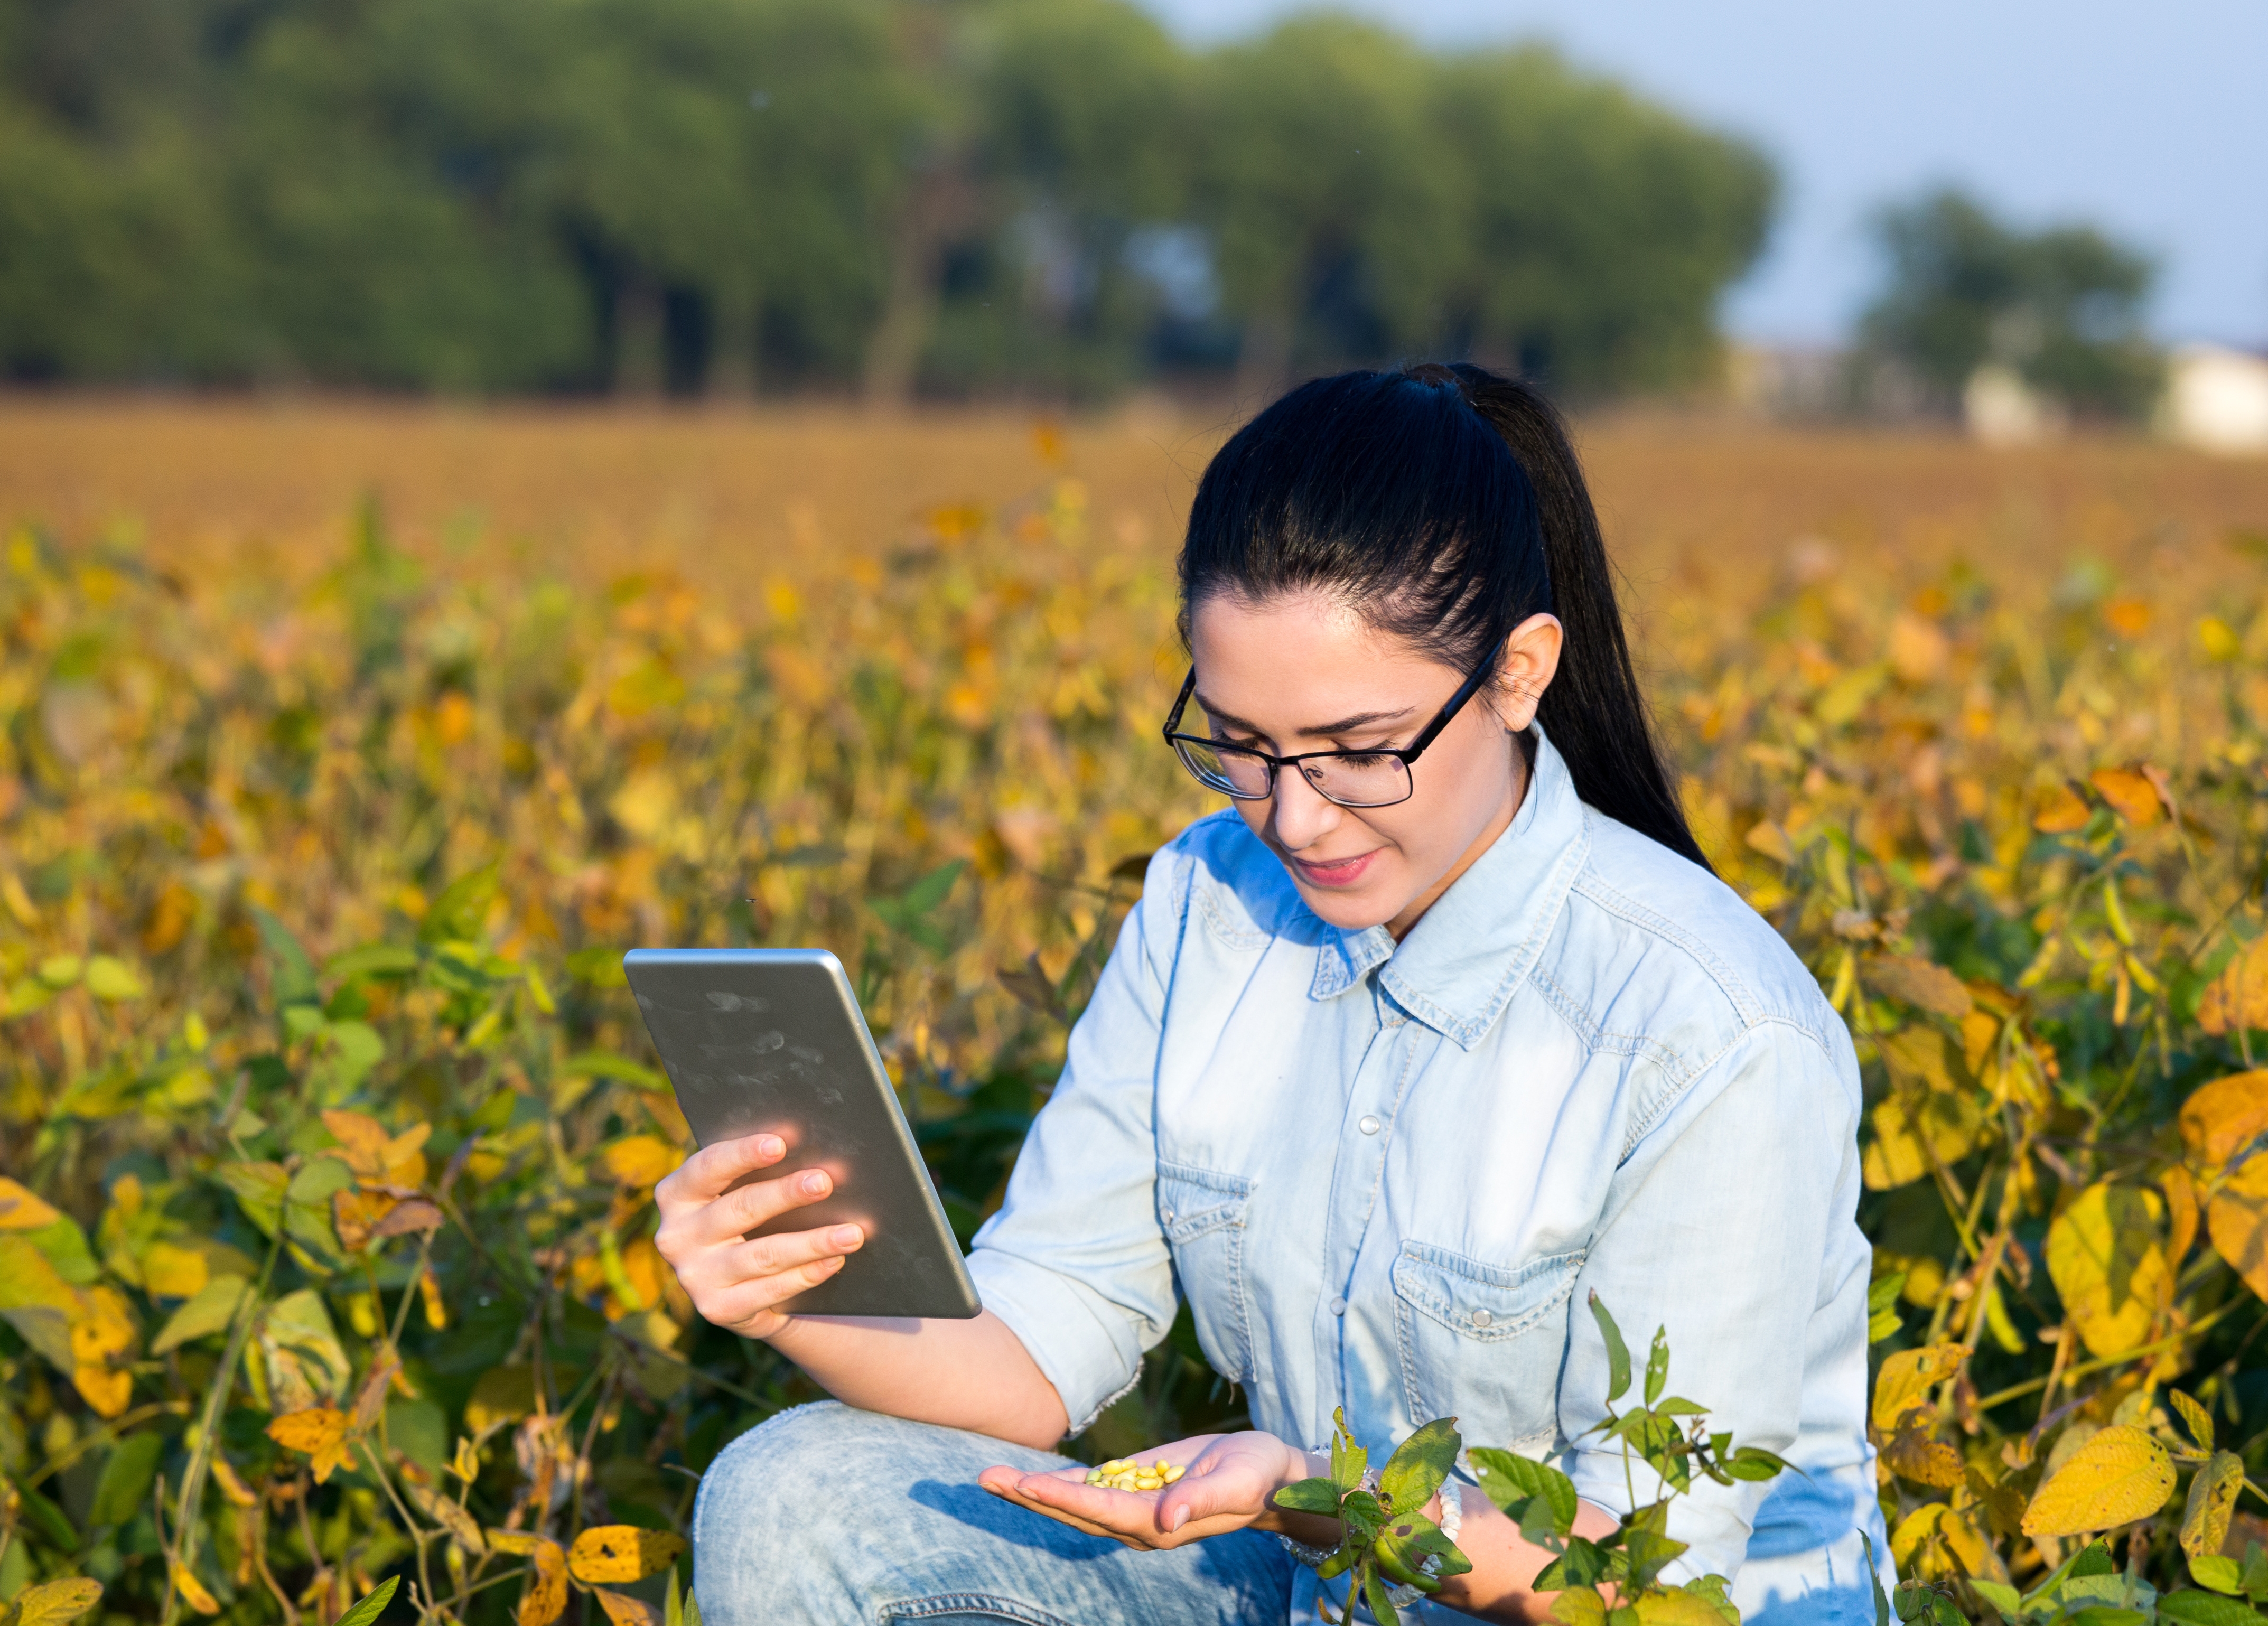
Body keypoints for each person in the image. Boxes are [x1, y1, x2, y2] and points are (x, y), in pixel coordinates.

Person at [661, 363, 1884, 1624]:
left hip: (1632, 1608)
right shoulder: (1209, 898)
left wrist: (1319, 1490)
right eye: (1241, 744)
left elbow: (1641, 1576)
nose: (1294, 818)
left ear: (1520, 674)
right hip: (1335, 1579)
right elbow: (1036, 1350)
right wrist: (788, 1290)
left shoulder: (1713, 1027)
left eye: (1363, 752)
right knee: (789, 1491)